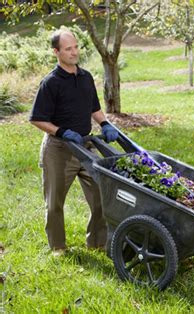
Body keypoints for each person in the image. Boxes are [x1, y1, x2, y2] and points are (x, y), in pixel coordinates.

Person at [29, 29, 119, 256]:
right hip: (58, 149)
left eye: (76, 47)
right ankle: (58, 247)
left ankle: (97, 242)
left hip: (85, 147)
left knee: (101, 194)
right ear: (56, 52)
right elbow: (37, 118)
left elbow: (94, 108)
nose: (74, 52)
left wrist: (105, 124)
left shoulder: (86, 77)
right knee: (55, 202)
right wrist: (61, 132)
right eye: (68, 49)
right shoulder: (50, 82)